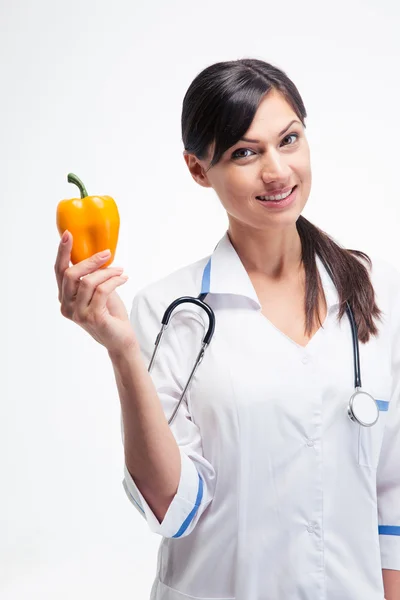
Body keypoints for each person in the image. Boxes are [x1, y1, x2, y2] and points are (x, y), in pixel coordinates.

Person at [54, 58, 400, 599]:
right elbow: (175, 508)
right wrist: (121, 351)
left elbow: (392, 496)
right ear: (198, 169)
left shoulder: (368, 292)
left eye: (289, 140)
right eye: (245, 152)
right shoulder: (170, 311)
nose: (278, 171)